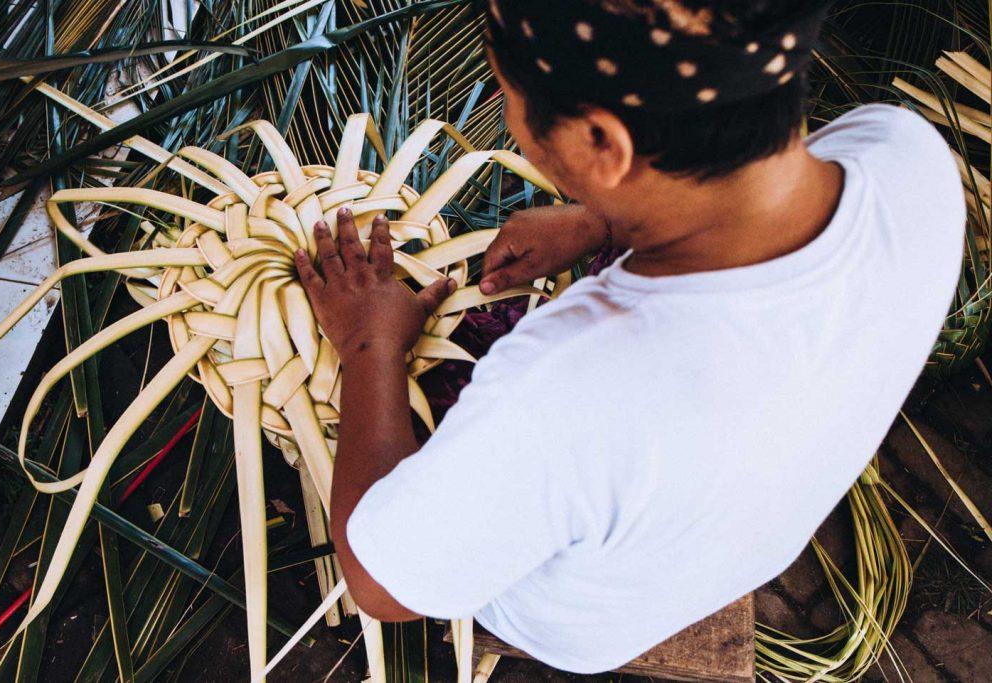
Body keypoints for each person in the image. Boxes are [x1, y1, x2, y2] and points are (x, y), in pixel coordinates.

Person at [293, 0, 964, 673]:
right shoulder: (905, 154)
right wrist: (603, 221)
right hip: (745, 519)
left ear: (603, 144)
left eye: (507, 93)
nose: (504, 115)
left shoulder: (569, 385)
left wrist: (367, 345)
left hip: (573, 622)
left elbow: (380, 587)